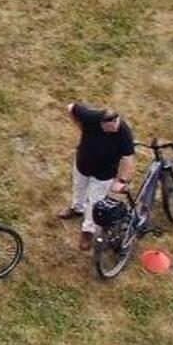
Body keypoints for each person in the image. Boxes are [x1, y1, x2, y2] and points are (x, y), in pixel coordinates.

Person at [62, 102, 134, 250]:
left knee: (95, 202)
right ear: (102, 123)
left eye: (117, 123)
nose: (115, 128)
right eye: (111, 126)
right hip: (82, 164)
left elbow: (128, 158)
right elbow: (71, 107)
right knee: (78, 188)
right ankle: (76, 208)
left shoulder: (123, 132)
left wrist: (122, 180)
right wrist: (79, 126)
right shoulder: (90, 117)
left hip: (104, 173)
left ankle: (88, 231)